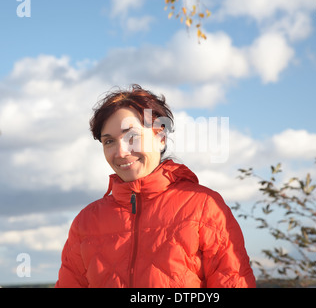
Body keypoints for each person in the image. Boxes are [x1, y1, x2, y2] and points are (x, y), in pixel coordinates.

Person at [55, 84, 256, 288]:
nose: (121, 152)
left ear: (160, 137)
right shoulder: (86, 222)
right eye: (109, 142)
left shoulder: (204, 207)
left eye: (131, 137)